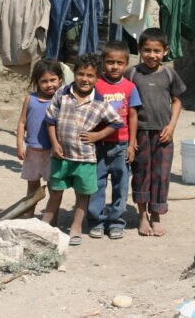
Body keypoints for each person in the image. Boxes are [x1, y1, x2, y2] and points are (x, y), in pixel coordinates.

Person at [41, 53, 124, 246]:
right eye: (80, 74)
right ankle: (47, 225)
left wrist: (97, 136)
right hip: (61, 156)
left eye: (90, 75)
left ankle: (75, 227)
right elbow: (51, 120)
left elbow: (116, 122)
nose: (85, 79)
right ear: (74, 74)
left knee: (82, 195)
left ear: (97, 78)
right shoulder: (62, 94)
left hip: (85, 158)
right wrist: (55, 143)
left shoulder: (100, 102)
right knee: (55, 191)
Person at [126, 28, 186, 237]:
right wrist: (130, 139)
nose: (152, 55)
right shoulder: (132, 73)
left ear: (165, 51)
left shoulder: (169, 73)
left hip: (163, 134)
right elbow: (125, 106)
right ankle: (142, 215)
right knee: (141, 173)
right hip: (140, 132)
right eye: (147, 50)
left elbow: (177, 100)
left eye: (157, 51)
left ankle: (157, 214)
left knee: (161, 175)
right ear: (139, 50)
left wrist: (171, 126)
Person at [88, 41, 141, 239]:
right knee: (97, 184)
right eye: (110, 62)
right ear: (103, 63)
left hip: (121, 144)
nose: (114, 66)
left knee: (121, 184)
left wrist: (131, 143)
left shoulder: (130, 87)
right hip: (98, 144)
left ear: (126, 64)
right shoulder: (96, 85)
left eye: (119, 63)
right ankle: (97, 220)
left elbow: (133, 115)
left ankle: (116, 221)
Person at [15, 58, 64, 217]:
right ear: (37, 82)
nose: (49, 84)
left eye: (53, 80)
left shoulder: (62, 100)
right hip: (32, 152)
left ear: (60, 79)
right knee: (32, 187)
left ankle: (51, 219)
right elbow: (22, 122)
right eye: (44, 81)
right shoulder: (30, 99)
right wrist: (20, 145)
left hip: (53, 153)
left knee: (53, 187)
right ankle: (29, 217)